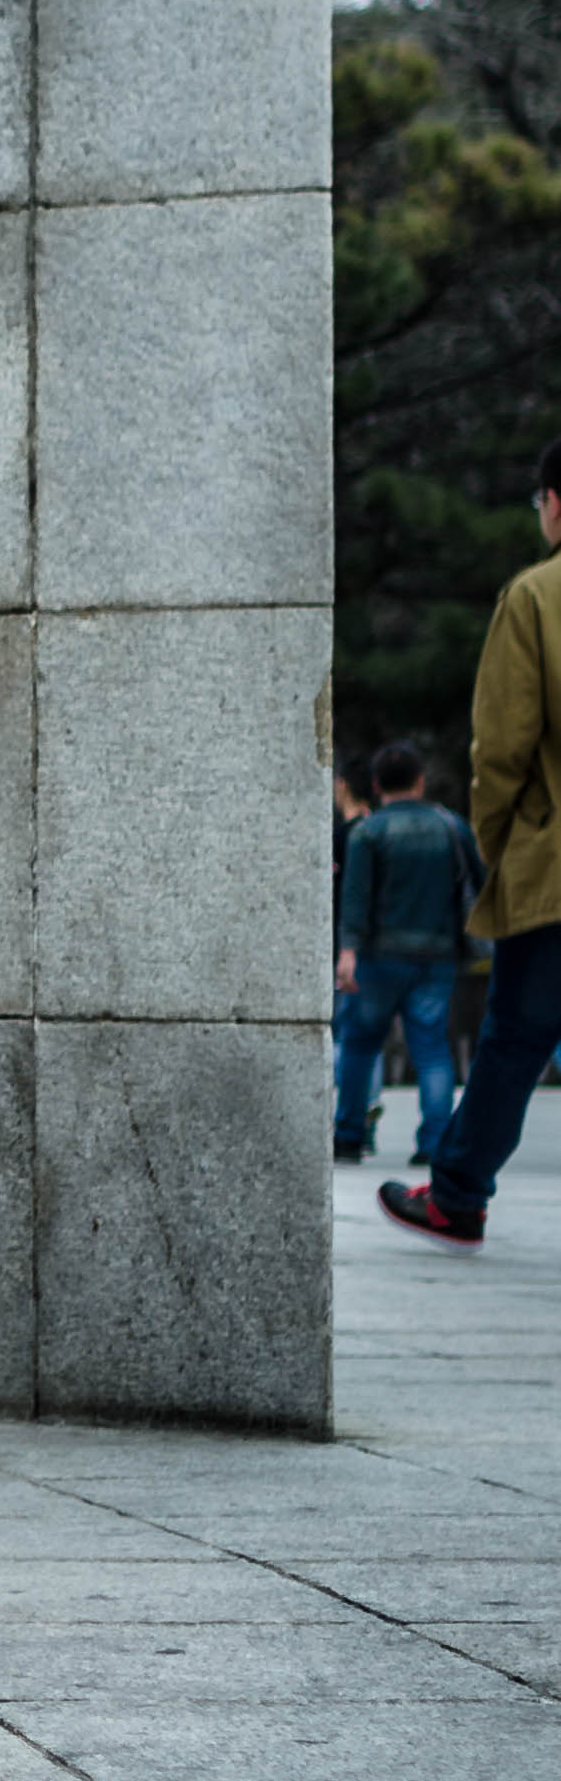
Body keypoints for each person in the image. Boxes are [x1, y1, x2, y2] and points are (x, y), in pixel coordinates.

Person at [389, 442, 561, 1246]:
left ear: (554, 503)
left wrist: (501, 844)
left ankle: (456, 1196)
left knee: (514, 1038)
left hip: (552, 867)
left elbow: (501, 747)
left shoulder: (535, 596)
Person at [336, 741, 483, 1166]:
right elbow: (479, 882)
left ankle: (349, 1134)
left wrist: (348, 951)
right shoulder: (451, 826)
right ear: (420, 781)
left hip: (379, 956)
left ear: (377, 785)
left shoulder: (369, 832)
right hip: (438, 955)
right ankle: (433, 1142)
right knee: (432, 1048)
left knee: (360, 1045)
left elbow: (356, 897)